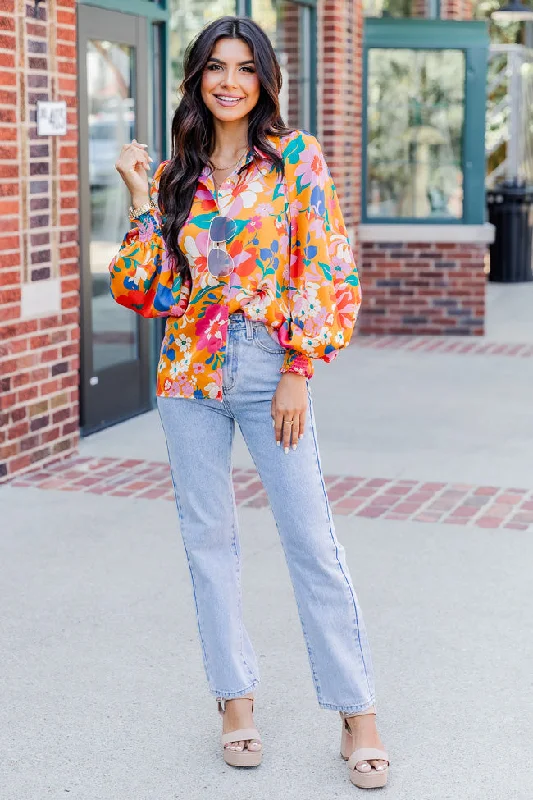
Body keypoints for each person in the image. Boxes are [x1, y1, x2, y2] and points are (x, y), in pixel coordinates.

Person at [110, 15, 389, 789]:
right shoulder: (176, 174)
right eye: (214, 68)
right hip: (187, 378)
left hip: (271, 367)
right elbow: (147, 288)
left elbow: (327, 266)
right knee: (209, 544)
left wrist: (300, 364)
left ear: (264, 79)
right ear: (196, 78)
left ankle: (356, 712)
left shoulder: (296, 160)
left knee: (311, 542)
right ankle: (235, 703)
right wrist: (140, 198)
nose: (229, 81)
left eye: (244, 68)